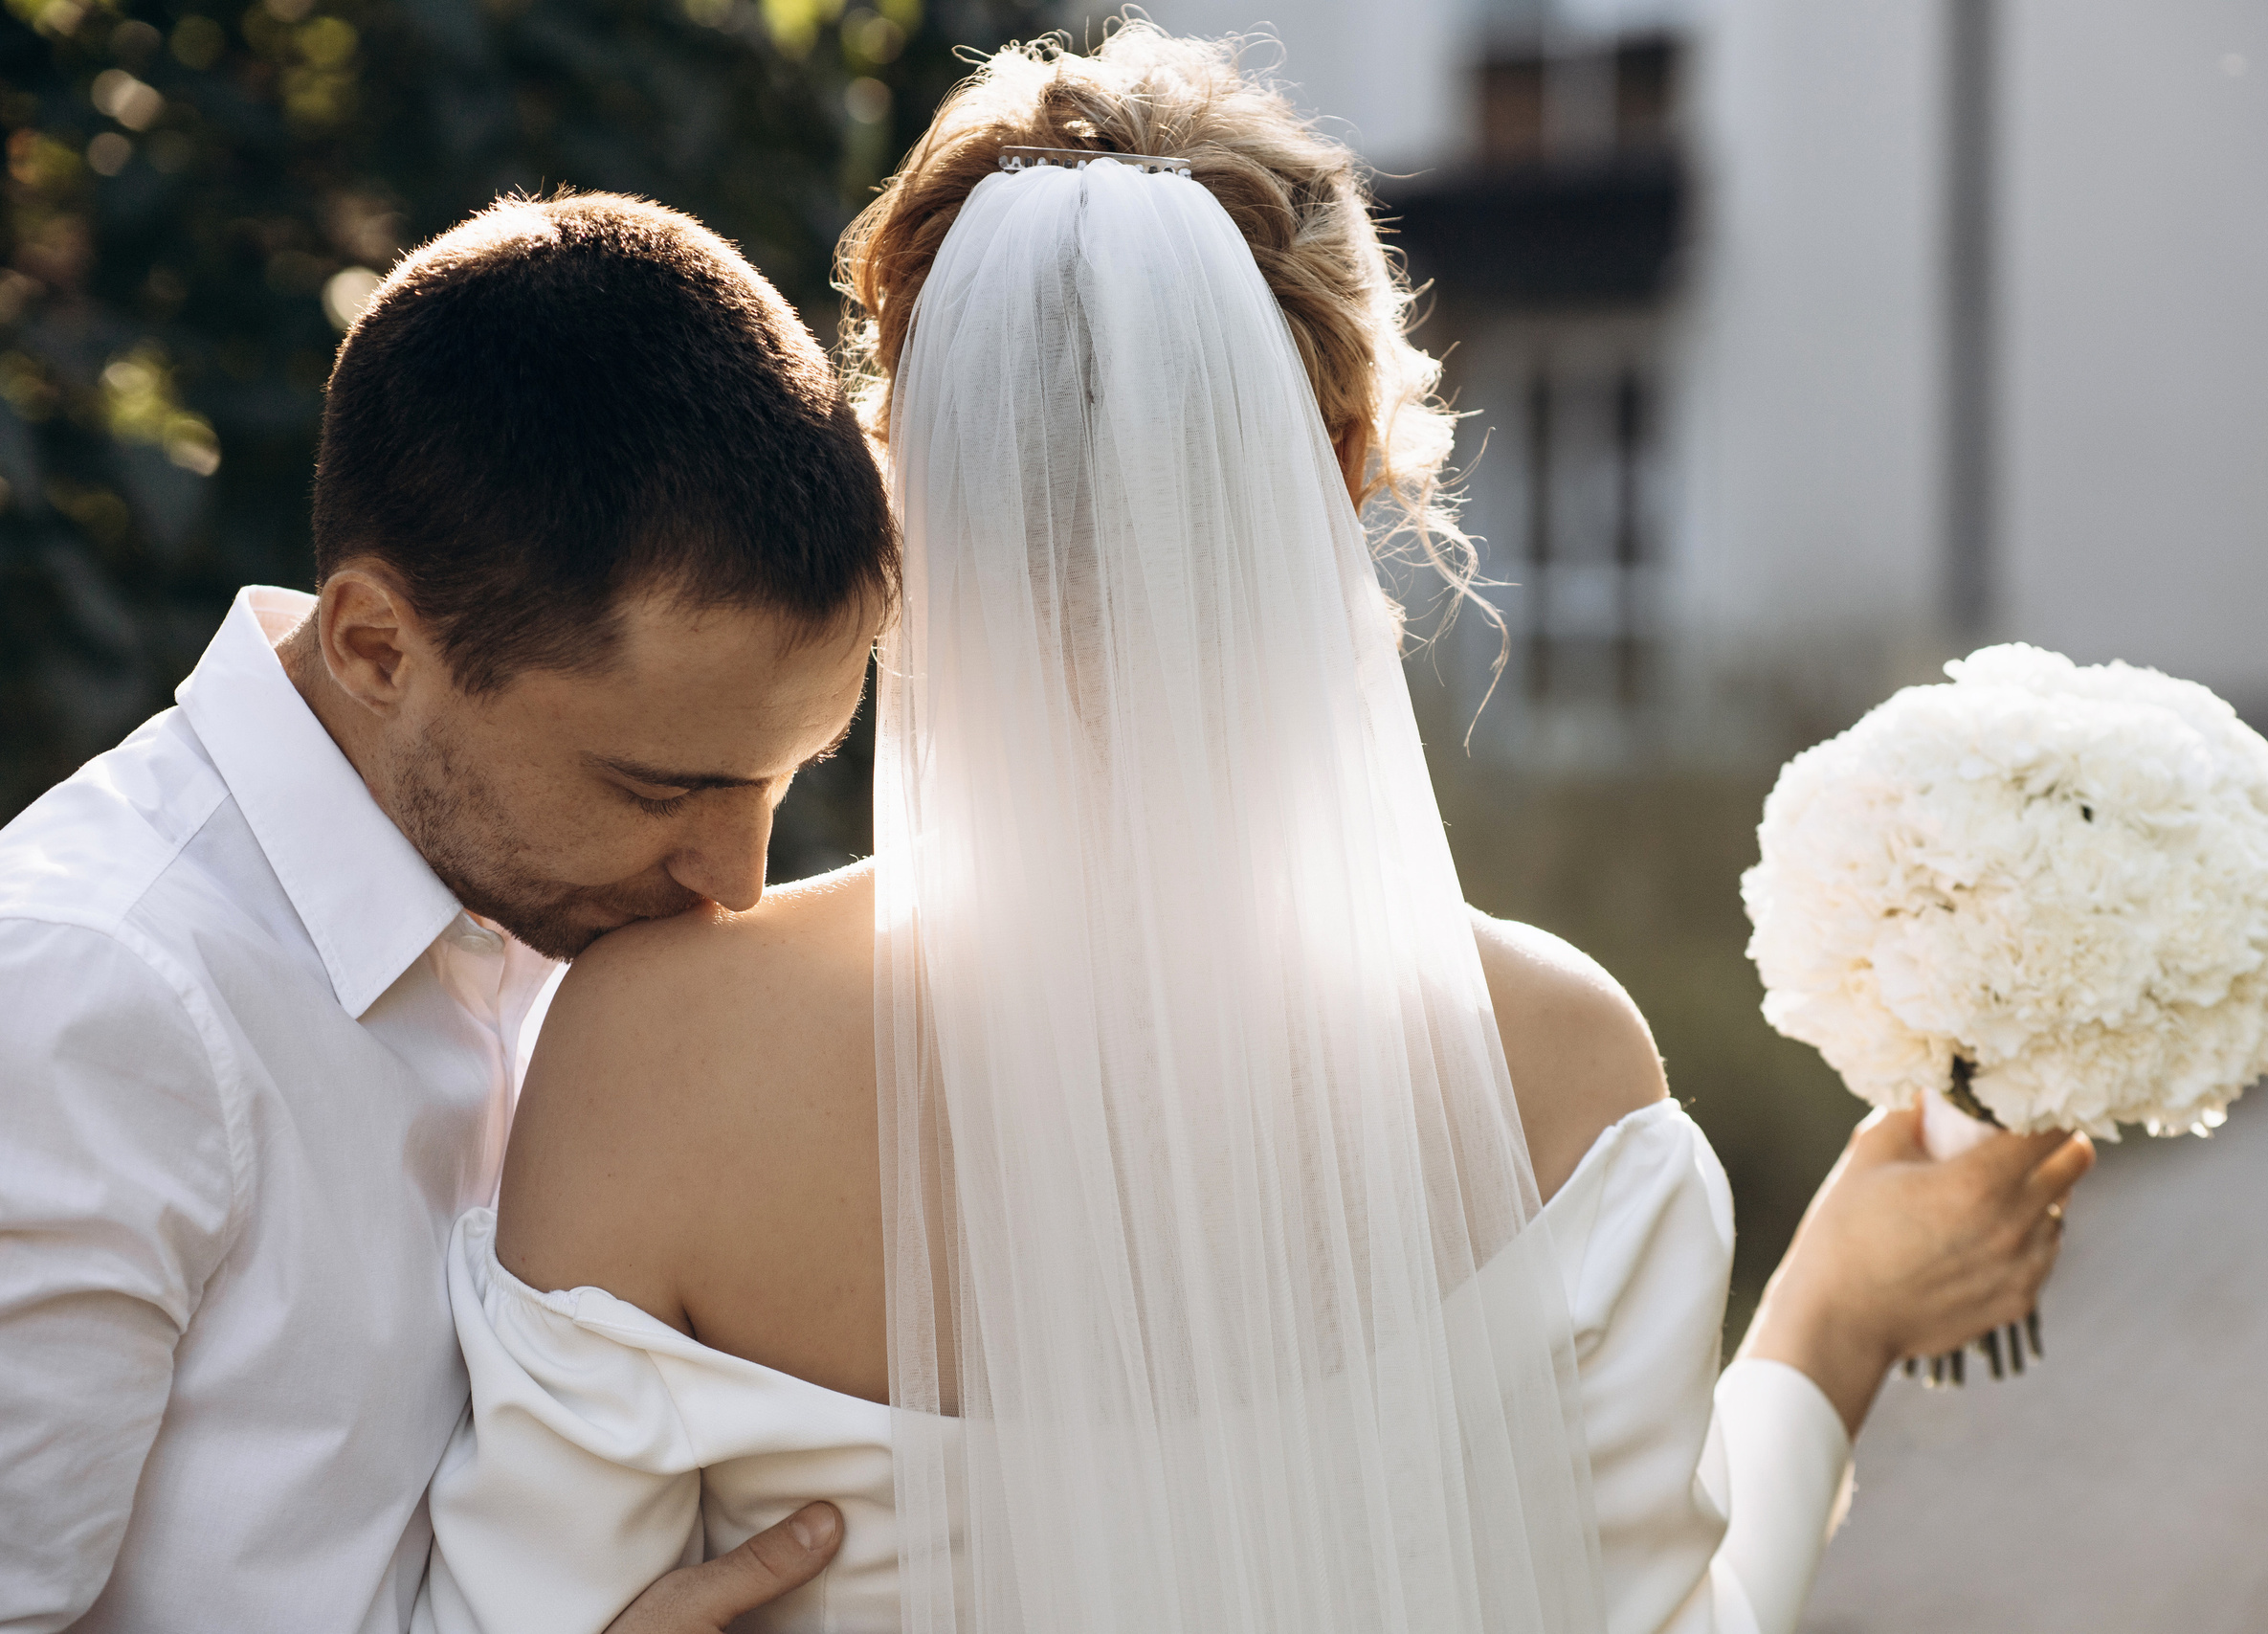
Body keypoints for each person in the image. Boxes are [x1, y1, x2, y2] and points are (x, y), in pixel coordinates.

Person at [420, 30, 2095, 1634]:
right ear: (1353, 460)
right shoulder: (1566, 1077)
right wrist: (1835, 1324)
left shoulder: (654, 1064)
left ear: (895, 472)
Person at [0, 194, 890, 1632]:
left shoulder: (560, 918)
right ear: (373, 646)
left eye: (782, 781)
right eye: (660, 788)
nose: (734, 881)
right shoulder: (84, 1001)